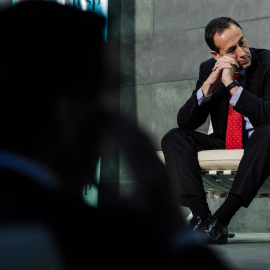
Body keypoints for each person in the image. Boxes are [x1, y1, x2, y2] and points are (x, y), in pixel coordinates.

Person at [0, 1, 232, 269]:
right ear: (73, 115)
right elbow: (186, 121)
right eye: (105, 105)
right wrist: (170, 224)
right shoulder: (101, 238)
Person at [161, 16, 270, 245]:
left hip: (260, 143)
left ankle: (221, 219)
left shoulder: (268, 62)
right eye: (232, 49)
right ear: (217, 56)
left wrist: (232, 85)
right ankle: (201, 218)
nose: (242, 52)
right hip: (225, 142)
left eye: (242, 42)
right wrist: (208, 85)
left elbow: (267, 116)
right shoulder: (208, 69)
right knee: (174, 138)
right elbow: (185, 122)